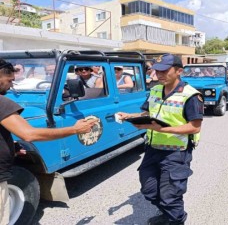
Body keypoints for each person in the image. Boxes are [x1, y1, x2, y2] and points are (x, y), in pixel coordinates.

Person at [0, 59, 96, 225]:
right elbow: (29, 134)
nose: (11, 86)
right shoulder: (3, 102)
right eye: (9, 81)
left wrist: (11, 146)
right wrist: (75, 130)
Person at [117, 54, 203, 225]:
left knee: (170, 196)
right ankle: (167, 214)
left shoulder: (191, 95)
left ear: (179, 71)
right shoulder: (155, 90)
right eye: (157, 71)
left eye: (164, 71)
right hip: (153, 150)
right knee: (149, 190)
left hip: (176, 153)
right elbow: (147, 113)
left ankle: (175, 220)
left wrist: (163, 129)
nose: (159, 74)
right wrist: (131, 116)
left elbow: (195, 127)